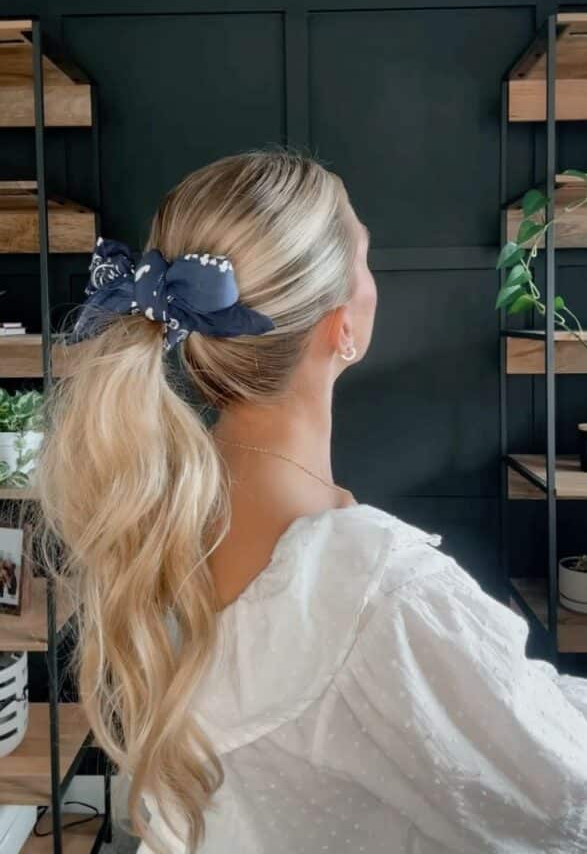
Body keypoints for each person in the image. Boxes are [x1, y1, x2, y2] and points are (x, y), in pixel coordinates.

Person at [32, 150, 587, 854]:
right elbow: (569, 811)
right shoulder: (378, 594)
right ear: (340, 325)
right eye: (365, 259)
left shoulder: (154, 527)